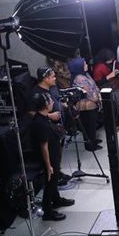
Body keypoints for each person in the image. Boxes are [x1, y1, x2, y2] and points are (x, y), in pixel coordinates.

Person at [28, 92, 74, 221]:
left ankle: (57, 200)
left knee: (53, 181)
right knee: (50, 183)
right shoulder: (40, 123)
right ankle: (48, 212)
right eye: (50, 101)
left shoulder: (43, 117)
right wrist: (48, 166)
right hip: (49, 158)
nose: (52, 102)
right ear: (46, 105)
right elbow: (44, 147)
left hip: (54, 154)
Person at [68, 57, 102, 151]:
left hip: (92, 103)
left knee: (92, 125)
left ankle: (93, 140)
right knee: (89, 126)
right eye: (84, 64)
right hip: (86, 106)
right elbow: (89, 93)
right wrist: (97, 99)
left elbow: (93, 85)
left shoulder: (85, 74)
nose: (86, 65)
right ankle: (90, 146)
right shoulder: (80, 79)